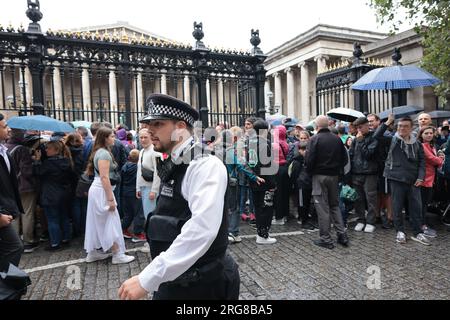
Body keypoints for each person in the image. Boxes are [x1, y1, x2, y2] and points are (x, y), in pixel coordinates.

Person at [119, 93, 239, 300]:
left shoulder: (203, 164)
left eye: (157, 124)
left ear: (181, 127)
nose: (149, 130)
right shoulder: (176, 160)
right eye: (148, 125)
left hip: (203, 286)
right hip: (179, 281)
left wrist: (147, 278)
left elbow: (201, 229)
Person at [84, 127, 135, 264]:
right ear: (105, 138)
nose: (115, 138)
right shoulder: (104, 154)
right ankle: (117, 253)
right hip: (102, 190)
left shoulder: (100, 152)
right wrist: (111, 199)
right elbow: (104, 178)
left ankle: (93, 252)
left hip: (99, 189)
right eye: (112, 136)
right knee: (110, 221)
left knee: (97, 222)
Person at [383, 117, 429, 245]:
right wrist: (387, 123)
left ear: (411, 128)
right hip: (396, 178)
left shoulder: (417, 143)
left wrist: (421, 177)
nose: (402, 128)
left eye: (405, 126)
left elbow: (422, 162)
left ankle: (418, 232)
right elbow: (376, 136)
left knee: (416, 207)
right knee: (397, 207)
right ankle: (400, 231)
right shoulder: (392, 140)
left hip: (414, 180)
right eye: (400, 126)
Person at [305, 115, 348, 249]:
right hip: (334, 176)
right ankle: (342, 234)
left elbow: (309, 160)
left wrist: (311, 172)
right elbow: (344, 159)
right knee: (334, 205)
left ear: (317, 126)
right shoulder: (337, 139)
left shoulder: (314, 139)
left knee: (322, 208)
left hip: (319, 176)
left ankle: (326, 238)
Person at [5, 129, 39, 252]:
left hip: (10, 187)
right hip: (25, 187)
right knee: (27, 213)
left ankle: (14, 241)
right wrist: (34, 161)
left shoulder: (4, 147)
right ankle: (28, 242)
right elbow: (27, 171)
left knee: (15, 215)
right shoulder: (22, 149)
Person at [247, 119, 277, 245]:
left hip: (254, 180)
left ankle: (261, 233)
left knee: (258, 207)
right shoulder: (265, 143)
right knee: (266, 208)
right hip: (265, 181)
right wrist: (272, 184)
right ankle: (263, 234)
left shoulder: (250, 142)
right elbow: (267, 166)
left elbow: (249, 162)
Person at [0, 113, 24, 271]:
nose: (8, 129)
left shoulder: (4, 150)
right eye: (4, 126)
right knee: (15, 247)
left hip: (6, 208)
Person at [349, 117, 380, 233]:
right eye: (357, 128)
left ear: (367, 125)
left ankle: (371, 221)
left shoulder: (373, 138)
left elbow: (369, 155)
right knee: (358, 198)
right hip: (356, 173)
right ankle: (360, 220)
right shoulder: (356, 139)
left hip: (370, 173)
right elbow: (351, 155)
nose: (359, 130)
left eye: (360, 127)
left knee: (371, 197)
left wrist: (361, 141)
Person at [418, 126, 443, 238]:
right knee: (422, 204)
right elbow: (432, 159)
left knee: (425, 204)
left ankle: (423, 224)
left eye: (430, 133)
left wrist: (439, 158)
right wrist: (441, 159)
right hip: (424, 179)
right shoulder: (422, 146)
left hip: (430, 179)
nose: (429, 135)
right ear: (421, 135)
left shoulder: (431, 145)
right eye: (426, 133)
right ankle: (422, 225)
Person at [121, 149, 146, 243]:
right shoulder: (138, 168)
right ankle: (137, 233)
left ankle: (123, 229)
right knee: (139, 213)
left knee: (128, 214)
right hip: (135, 192)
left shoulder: (124, 166)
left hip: (125, 192)